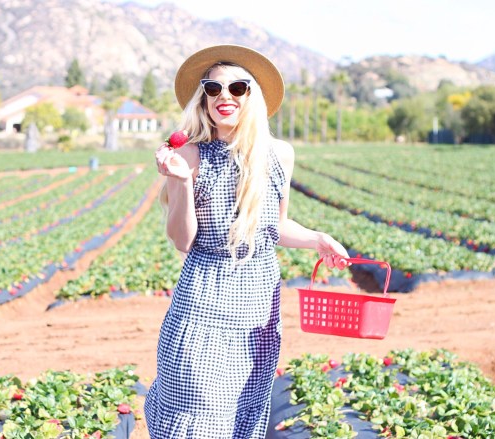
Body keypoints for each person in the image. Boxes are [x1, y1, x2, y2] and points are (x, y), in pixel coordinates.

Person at [145, 44, 350, 438]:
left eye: (237, 87)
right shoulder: (189, 155)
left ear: (252, 96)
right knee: (198, 408)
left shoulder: (279, 155)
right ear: (203, 98)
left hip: (259, 306)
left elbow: (275, 227)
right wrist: (180, 182)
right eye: (213, 88)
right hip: (205, 302)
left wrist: (319, 239)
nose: (225, 96)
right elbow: (183, 240)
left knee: (245, 409)